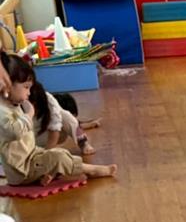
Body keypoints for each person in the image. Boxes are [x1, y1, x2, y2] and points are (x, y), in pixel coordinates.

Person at [0, 53, 115, 186]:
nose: (29, 93)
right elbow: (14, 132)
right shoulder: (2, 110)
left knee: (59, 153)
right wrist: (29, 114)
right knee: (59, 158)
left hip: (31, 158)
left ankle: (46, 175)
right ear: (8, 84)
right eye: (26, 87)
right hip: (22, 171)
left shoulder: (14, 104)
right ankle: (91, 170)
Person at [29, 79, 95, 155]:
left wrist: (46, 153)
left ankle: (83, 143)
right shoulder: (20, 101)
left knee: (64, 115)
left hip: (46, 136)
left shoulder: (49, 101)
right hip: (28, 141)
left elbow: (55, 130)